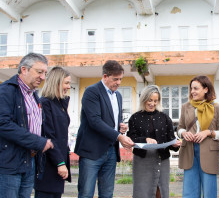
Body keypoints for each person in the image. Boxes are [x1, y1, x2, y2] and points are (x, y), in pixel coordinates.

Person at [74, 60, 134, 198]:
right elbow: (95, 121)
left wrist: (120, 126)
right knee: (86, 193)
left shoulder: (118, 95)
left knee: (107, 194)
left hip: (111, 151)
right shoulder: (92, 91)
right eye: (115, 79)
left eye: (120, 79)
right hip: (92, 151)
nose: (119, 82)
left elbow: (111, 120)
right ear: (105, 76)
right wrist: (119, 136)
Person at [0, 52, 54, 197]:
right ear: (24, 69)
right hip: (10, 164)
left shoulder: (33, 95)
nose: (43, 77)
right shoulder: (6, 91)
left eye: (44, 73)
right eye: (39, 72)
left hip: (29, 161)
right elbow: (3, 124)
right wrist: (37, 141)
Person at [177, 75, 219, 198]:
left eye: (196, 88)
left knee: (209, 192)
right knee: (189, 191)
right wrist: (184, 133)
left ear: (206, 89)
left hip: (209, 152)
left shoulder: (218, 108)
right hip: (189, 151)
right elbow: (179, 128)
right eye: (191, 88)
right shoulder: (186, 107)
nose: (192, 91)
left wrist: (208, 132)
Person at [127, 85, 182, 198]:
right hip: (142, 160)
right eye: (150, 100)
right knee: (141, 191)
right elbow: (131, 138)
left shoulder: (165, 117)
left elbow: (171, 139)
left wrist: (175, 144)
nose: (152, 103)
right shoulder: (134, 118)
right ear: (144, 99)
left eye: (155, 101)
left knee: (161, 191)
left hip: (162, 159)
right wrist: (145, 140)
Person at [34, 67, 72, 198]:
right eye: (66, 83)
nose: (68, 86)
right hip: (49, 163)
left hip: (58, 161)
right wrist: (60, 162)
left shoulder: (60, 104)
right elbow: (48, 135)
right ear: (56, 82)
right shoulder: (45, 103)